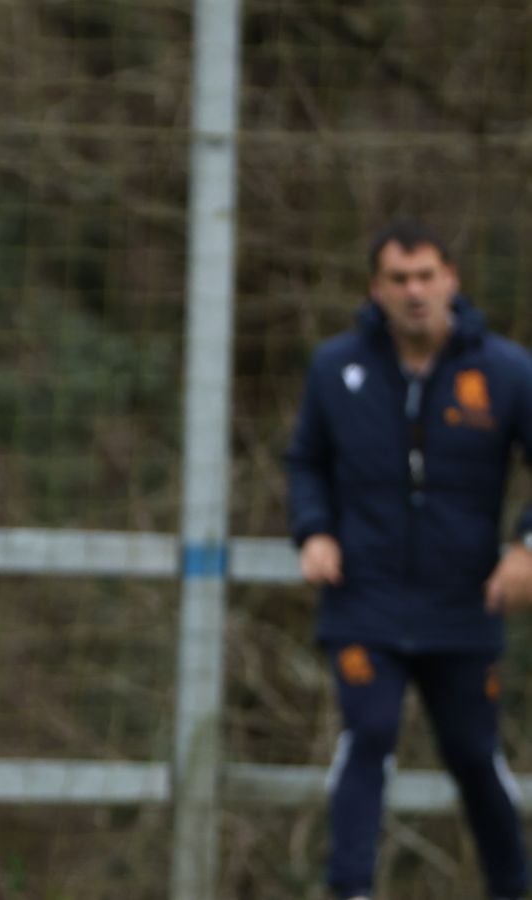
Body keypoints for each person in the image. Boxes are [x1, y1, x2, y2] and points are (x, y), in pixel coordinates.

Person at [287, 219, 532, 900]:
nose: (414, 291)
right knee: (367, 737)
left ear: (450, 277)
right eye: (399, 278)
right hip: (363, 599)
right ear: (377, 287)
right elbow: (305, 461)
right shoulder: (337, 367)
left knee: (474, 758)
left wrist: (525, 548)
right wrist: (314, 532)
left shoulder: (506, 371)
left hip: (464, 605)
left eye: (426, 276)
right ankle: (351, 890)